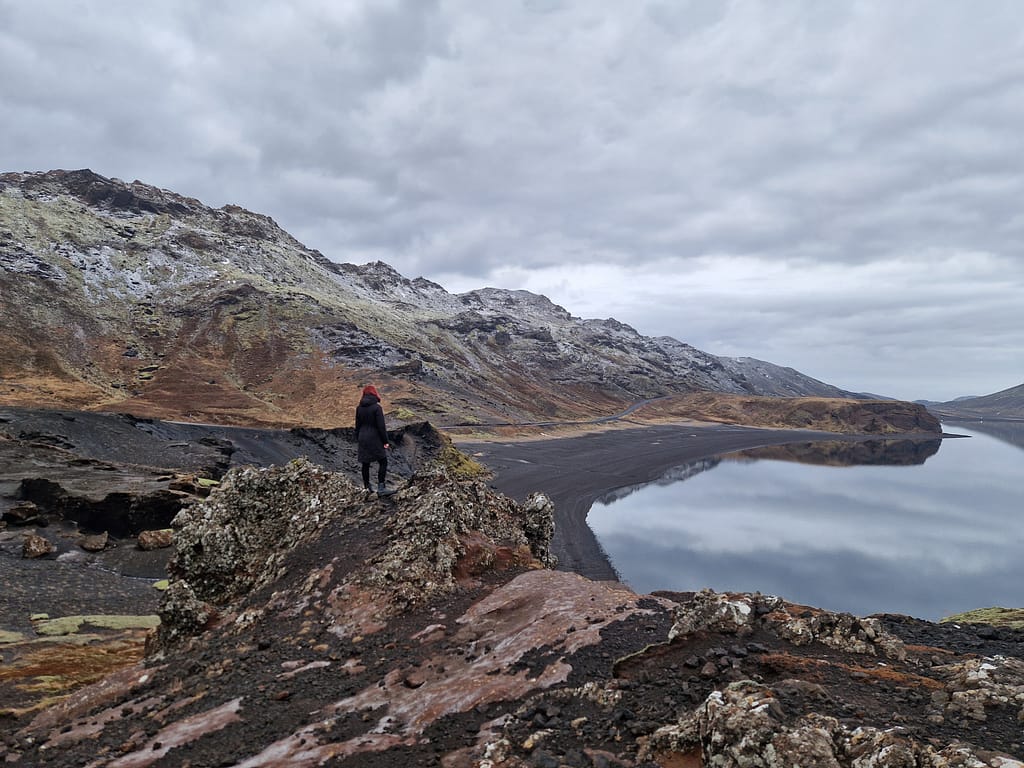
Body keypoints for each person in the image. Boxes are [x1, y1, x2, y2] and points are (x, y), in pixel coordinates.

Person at [355, 384, 395, 497]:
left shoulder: (359, 408)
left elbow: (357, 426)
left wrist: (358, 438)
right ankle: (381, 487)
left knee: (365, 463)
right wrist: (385, 441)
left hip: (363, 437)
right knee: (383, 461)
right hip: (374, 437)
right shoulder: (377, 408)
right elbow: (381, 426)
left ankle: (367, 487)